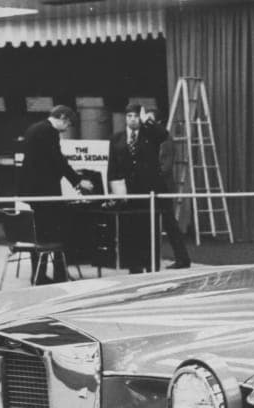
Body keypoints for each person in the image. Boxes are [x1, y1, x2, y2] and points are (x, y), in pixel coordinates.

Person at [108, 103, 192, 272]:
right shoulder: (117, 138)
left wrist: (148, 121)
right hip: (130, 191)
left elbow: (163, 135)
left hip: (152, 189)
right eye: (129, 116)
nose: (132, 119)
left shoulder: (150, 134)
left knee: (157, 226)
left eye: (136, 116)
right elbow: (112, 167)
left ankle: (154, 264)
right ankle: (134, 266)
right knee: (133, 228)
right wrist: (114, 191)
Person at [18, 105, 93, 284]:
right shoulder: (49, 131)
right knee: (57, 233)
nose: (67, 129)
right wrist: (78, 180)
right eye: (68, 124)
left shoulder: (33, 128)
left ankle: (40, 274)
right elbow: (57, 160)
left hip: (33, 191)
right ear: (62, 117)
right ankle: (57, 274)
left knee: (41, 235)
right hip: (45, 191)